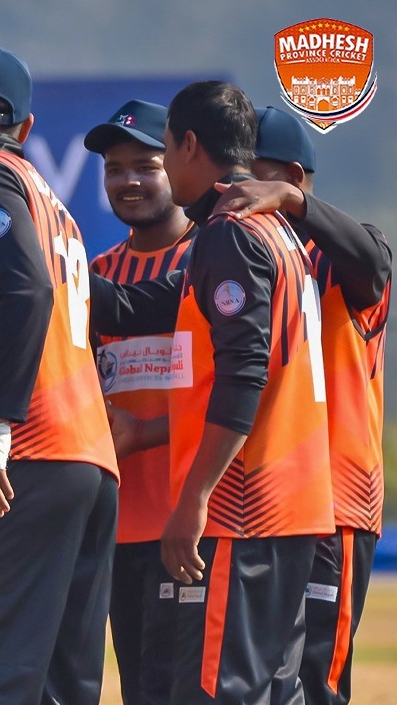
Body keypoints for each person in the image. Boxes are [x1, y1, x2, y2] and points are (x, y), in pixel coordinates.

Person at [93, 81, 334, 705]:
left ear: (189, 145)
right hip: (292, 506)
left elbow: (244, 375)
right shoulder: (276, 230)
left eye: (163, 149)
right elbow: (139, 304)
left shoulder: (230, 232)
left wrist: (195, 497)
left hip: (242, 509)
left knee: (215, 693)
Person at [0, 45, 119, 705]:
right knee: (62, 686)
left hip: (25, 463)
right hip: (89, 463)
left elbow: (28, 292)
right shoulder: (50, 203)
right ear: (27, 127)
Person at [213, 106, 390, 705]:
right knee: (265, 681)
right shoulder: (248, 252)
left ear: (290, 177)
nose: (237, 187)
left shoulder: (341, 258)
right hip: (269, 504)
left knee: (317, 683)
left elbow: (377, 263)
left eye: (251, 174)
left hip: (337, 502)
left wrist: (291, 203)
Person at [85, 99, 196, 705]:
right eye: (114, 169)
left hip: (198, 521)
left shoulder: (218, 258)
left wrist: (147, 431)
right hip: (119, 526)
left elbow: (242, 393)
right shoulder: (97, 274)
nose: (128, 181)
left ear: (177, 164)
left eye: (146, 166)